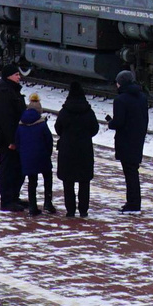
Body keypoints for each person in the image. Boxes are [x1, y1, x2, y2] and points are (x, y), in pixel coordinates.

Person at [0, 65, 25, 210]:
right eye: (16, 74)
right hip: (9, 140)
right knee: (8, 168)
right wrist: (11, 141)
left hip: (16, 137)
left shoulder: (10, 90)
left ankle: (14, 197)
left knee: (17, 168)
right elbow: (6, 120)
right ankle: (7, 201)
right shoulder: (4, 92)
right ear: (8, 76)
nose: (19, 77)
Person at [56, 83, 100, 217]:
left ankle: (70, 210)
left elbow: (58, 128)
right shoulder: (88, 111)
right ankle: (83, 210)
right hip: (84, 150)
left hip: (67, 150)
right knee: (84, 181)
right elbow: (95, 128)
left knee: (68, 182)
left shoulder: (65, 111)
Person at [110, 68, 150, 213]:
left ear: (121, 83)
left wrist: (111, 123)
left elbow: (119, 122)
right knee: (133, 171)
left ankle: (132, 204)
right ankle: (134, 203)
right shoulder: (142, 97)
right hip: (138, 139)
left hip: (125, 140)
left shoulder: (120, 100)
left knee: (130, 173)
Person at [15, 94, 54, 216]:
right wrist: (48, 153)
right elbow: (49, 141)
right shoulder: (42, 124)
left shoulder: (21, 124)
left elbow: (17, 141)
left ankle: (33, 207)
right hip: (42, 156)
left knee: (32, 181)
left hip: (27, 158)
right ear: (39, 111)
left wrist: (23, 154)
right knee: (47, 177)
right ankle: (48, 203)